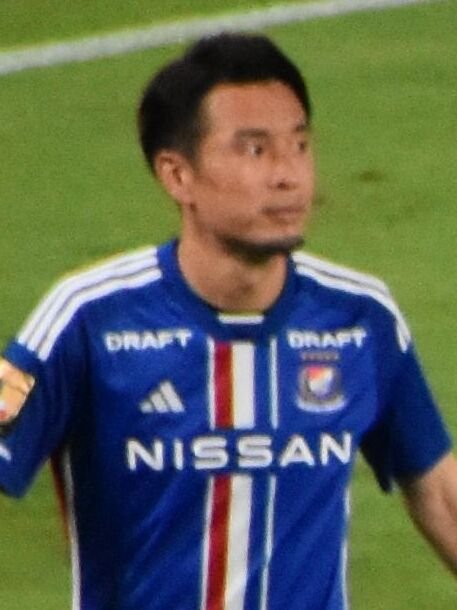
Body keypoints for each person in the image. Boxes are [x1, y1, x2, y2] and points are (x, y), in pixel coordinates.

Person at [0, 32, 456, 610]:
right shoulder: (87, 318)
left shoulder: (360, 319)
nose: (288, 175)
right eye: (255, 150)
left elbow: (440, 493)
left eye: (300, 145)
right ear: (177, 175)